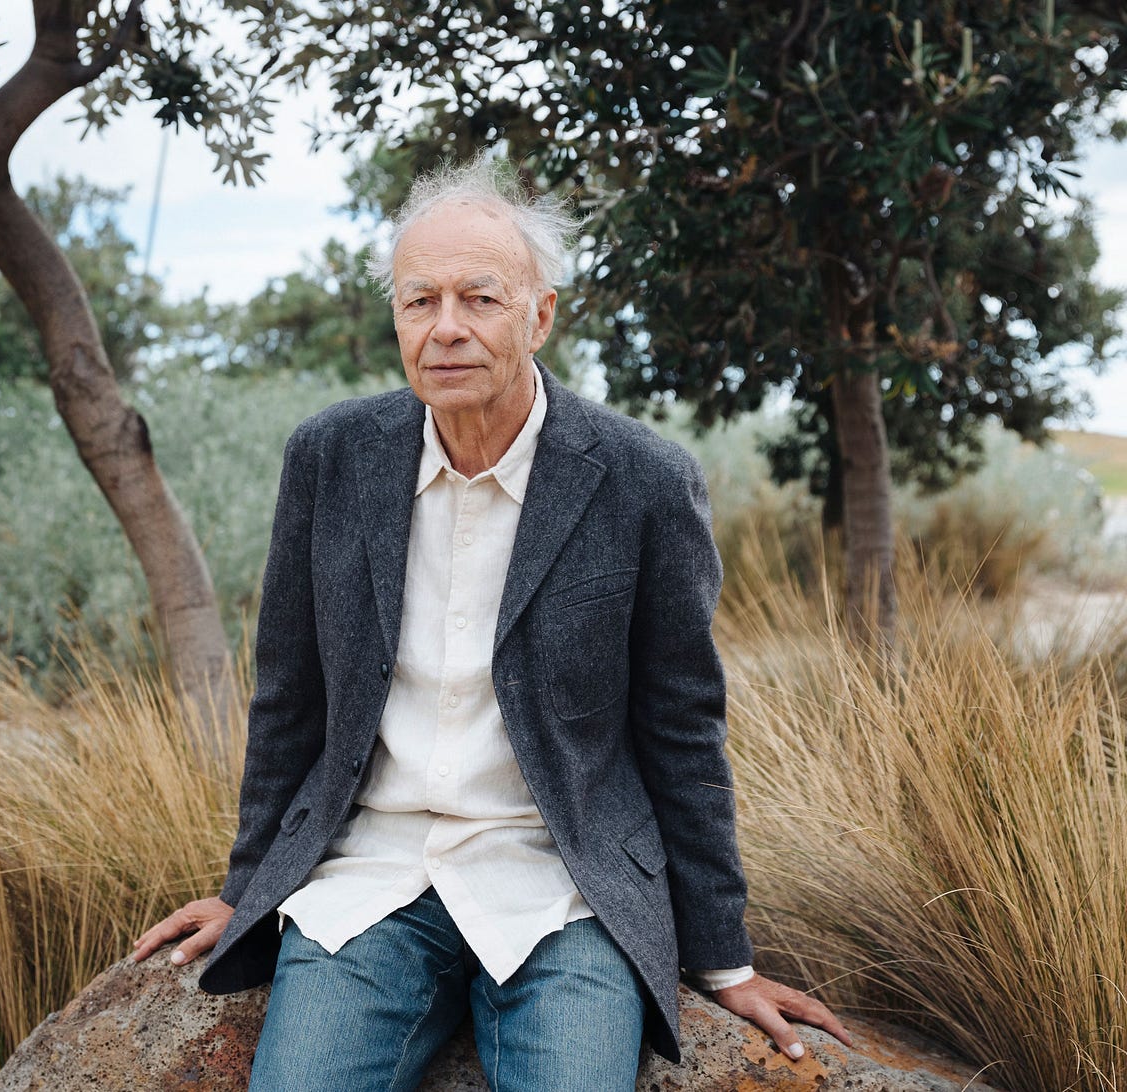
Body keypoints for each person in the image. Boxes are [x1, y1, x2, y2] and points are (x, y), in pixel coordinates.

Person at [133, 157, 850, 1089]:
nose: (446, 330)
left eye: (480, 299)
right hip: (368, 883)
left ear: (540, 314)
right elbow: (288, 700)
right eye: (418, 300)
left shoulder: (641, 478)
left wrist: (724, 961)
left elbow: (681, 729)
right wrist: (249, 888)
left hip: (562, 890)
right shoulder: (330, 458)